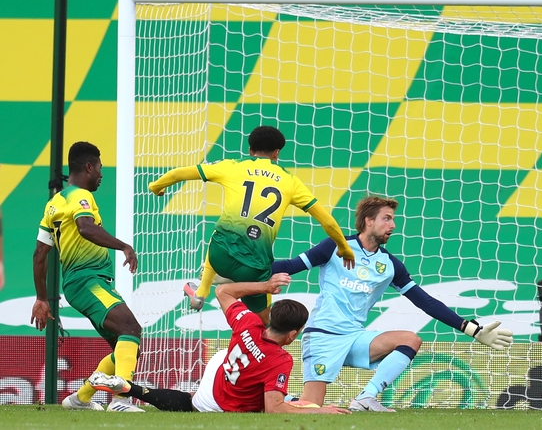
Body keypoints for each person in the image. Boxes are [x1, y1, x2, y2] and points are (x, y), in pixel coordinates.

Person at [271, 196, 514, 412]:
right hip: (324, 335)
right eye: (386, 219)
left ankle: (366, 398)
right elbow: (290, 266)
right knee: (312, 407)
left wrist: (471, 329)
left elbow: (425, 302)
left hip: (355, 337)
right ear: (368, 221)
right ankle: (267, 399)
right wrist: (238, 272)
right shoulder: (335, 246)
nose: (393, 225)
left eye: (393, 219)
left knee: (410, 339)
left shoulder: (390, 265)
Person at [148, 125, 355, 324]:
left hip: (220, 256)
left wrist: (156, 187)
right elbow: (327, 221)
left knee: (223, 229)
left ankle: (201, 291)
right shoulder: (290, 181)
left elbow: (178, 174)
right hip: (254, 268)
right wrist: (344, 247)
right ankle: (216, 292)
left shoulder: (232, 166)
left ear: (250, 150)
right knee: (262, 323)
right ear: (276, 153)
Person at [88, 276, 350, 414]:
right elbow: (273, 408)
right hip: (223, 400)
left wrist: (265, 286)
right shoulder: (282, 359)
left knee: (274, 392)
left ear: (271, 318)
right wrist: (323, 410)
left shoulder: (249, 322)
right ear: (293, 335)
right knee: (191, 405)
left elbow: (223, 292)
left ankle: (124, 386)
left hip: (221, 367)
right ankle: (130, 389)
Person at [31, 141, 144, 412]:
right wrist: (124, 246)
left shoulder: (54, 204)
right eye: (100, 168)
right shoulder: (81, 197)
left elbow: (39, 254)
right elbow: (85, 227)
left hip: (80, 283)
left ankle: (79, 399)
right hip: (87, 279)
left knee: (125, 345)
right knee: (131, 329)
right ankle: (120, 401)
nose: (102, 175)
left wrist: (42, 298)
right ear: (89, 167)